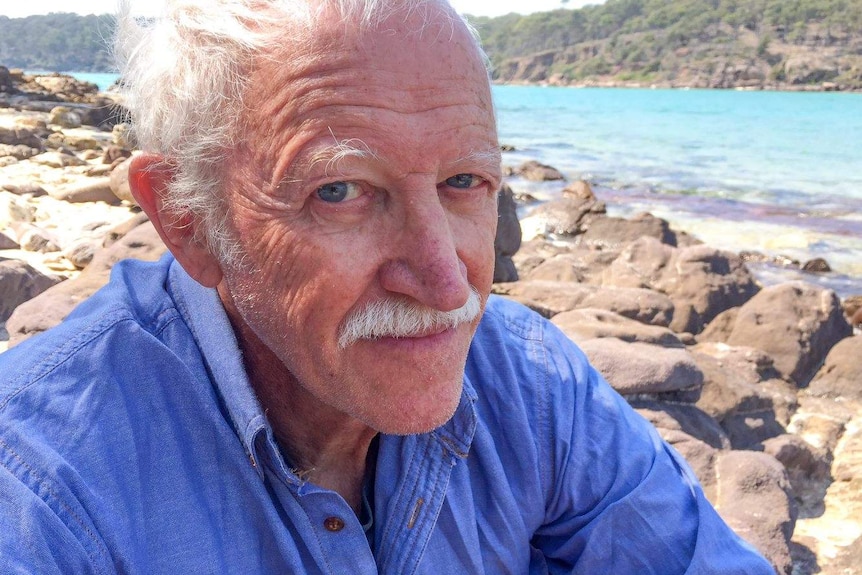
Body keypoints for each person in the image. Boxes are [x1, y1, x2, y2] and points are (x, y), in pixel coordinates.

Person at [0, 0, 774, 572]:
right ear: (187, 219)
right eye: (340, 192)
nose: (446, 284)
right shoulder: (43, 492)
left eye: (465, 181)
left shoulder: (532, 387)